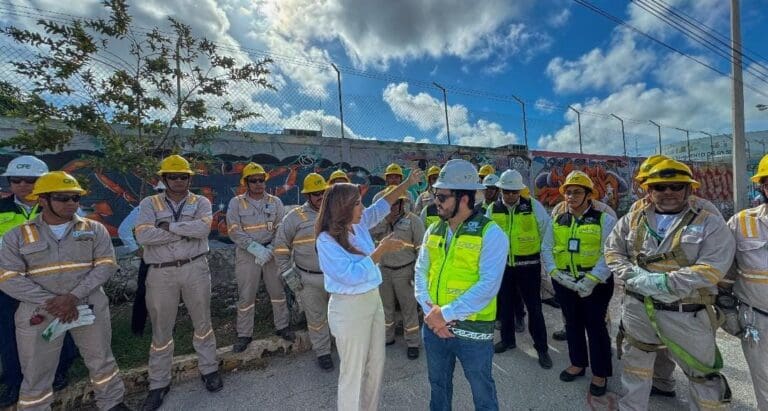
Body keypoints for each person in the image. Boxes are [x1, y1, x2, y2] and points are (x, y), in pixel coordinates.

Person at [604, 159, 734, 410]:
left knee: (701, 375)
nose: (668, 193)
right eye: (660, 187)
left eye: (676, 186)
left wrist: (664, 282)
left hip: (687, 313)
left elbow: (713, 268)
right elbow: (612, 251)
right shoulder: (632, 219)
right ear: (649, 191)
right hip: (639, 309)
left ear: (688, 189)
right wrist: (632, 275)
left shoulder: (708, 222)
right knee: (635, 368)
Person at [0, 171, 128, 410]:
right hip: (39, 312)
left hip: (87, 306)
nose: (71, 203)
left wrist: (73, 297)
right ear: (43, 200)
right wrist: (53, 302)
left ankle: (111, 402)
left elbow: (106, 265)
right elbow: (8, 277)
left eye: (75, 198)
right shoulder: (17, 236)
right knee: (36, 369)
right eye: (62, 197)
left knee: (101, 359)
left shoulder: (94, 229)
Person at [316, 167, 422, 411]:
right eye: (358, 204)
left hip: (372, 301)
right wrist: (380, 251)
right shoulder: (326, 239)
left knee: (375, 367)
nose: (363, 209)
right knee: (353, 374)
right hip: (349, 308)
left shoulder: (358, 223)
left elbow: (384, 204)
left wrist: (407, 183)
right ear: (342, 208)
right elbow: (350, 275)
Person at [414, 159, 508, 410]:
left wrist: (444, 314)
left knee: (482, 391)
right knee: (438, 386)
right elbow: (421, 272)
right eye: (436, 194)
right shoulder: (433, 229)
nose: (436, 201)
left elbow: (488, 285)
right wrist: (431, 313)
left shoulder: (491, 233)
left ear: (464, 198)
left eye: (442, 196)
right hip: (434, 328)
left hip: (474, 332)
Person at [136, 155, 222, 410]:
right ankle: (158, 383)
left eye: (183, 176)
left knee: (202, 322)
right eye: (173, 176)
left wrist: (168, 227)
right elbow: (144, 235)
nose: (178, 180)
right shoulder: (149, 203)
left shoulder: (201, 201)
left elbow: (203, 230)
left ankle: (209, 369)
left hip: (194, 267)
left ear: (189, 179)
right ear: (163, 179)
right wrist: (184, 230)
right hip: (161, 272)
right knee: (162, 328)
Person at [0, 156, 79, 408]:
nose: (23, 185)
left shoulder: (60, 205)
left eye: (31, 180)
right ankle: (15, 381)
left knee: (57, 327)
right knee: (10, 332)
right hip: (11, 282)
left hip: (53, 279)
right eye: (16, 180)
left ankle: (58, 372)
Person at [541, 170, 616, 397]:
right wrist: (555, 272)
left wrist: (592, 279)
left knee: (596, 327)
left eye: (576, 192)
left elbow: (610, 252)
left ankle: (600, 373)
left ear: (588, 195)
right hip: (565, 282)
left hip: (596, 284)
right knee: (572, 324)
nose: (571, 197)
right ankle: (578, 363)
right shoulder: (557, 220)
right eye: (568, 193)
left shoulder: (604, 219)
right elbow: (547, 248)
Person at [488, 170, 552, 369]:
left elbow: (546, 229)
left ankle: (541, 347)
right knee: (505, 306)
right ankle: (508, 340)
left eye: (514, 192)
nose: (510, 195)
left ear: (520, 191)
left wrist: (541, 256)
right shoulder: (493, 209)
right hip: (504, 267)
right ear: (501, 190)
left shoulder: (532, 205)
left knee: (534, 308)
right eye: (506, 191)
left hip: (529, 267)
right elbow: (487, 236)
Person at [227, 162, 291, 353]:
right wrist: (255, 248)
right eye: (253, 181)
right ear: (245, 183)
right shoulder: (236, 203)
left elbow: (281, 227)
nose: (258, 184)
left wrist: (270, 248)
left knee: (277, 292)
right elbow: (233, 230)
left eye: (261, 180)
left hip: (271, 253)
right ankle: (244, 334)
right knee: (246, 295)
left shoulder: (275, 202)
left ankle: (283, 327)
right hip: (248, 255)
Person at [273, 173, 334, 371]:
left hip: (336, 278)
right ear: (308, 195)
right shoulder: (294, 217)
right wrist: (288, 274)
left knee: (339, 315)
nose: (320, 197)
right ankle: (323, 352)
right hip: (308, 279)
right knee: (316, 319)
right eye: (315, 194)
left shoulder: (336, 213)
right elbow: (281, 248)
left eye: (323, 192)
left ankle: (342, 346)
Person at [726, 153, 768, 410]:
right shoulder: (741, 223)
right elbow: (722, 271)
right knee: (764, 381)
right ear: (763, 186)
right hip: (758, 320)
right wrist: (726, 307)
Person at [370, 185, 425, 359]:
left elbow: (421, 249)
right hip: (384, 271)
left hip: (405, 271)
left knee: (409, 309)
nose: (391, 207)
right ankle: (388, 337)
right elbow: (369, 236)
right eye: (389, 204)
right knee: (385, 309)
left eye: (395, 203)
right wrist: (386, 221)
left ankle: (413, 342)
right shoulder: (379, 221)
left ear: (402, 204)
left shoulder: (414, 220)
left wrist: (417, 273)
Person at [117, 182, 165, 336]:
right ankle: (138, 329)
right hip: (151, 256)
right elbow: (124, 230)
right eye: (161, 191)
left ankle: (165, 327)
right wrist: (136, 250)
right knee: (144, 294)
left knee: (169, 293)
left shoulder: (178, 209)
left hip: (171, 256)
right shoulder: (145, 208)